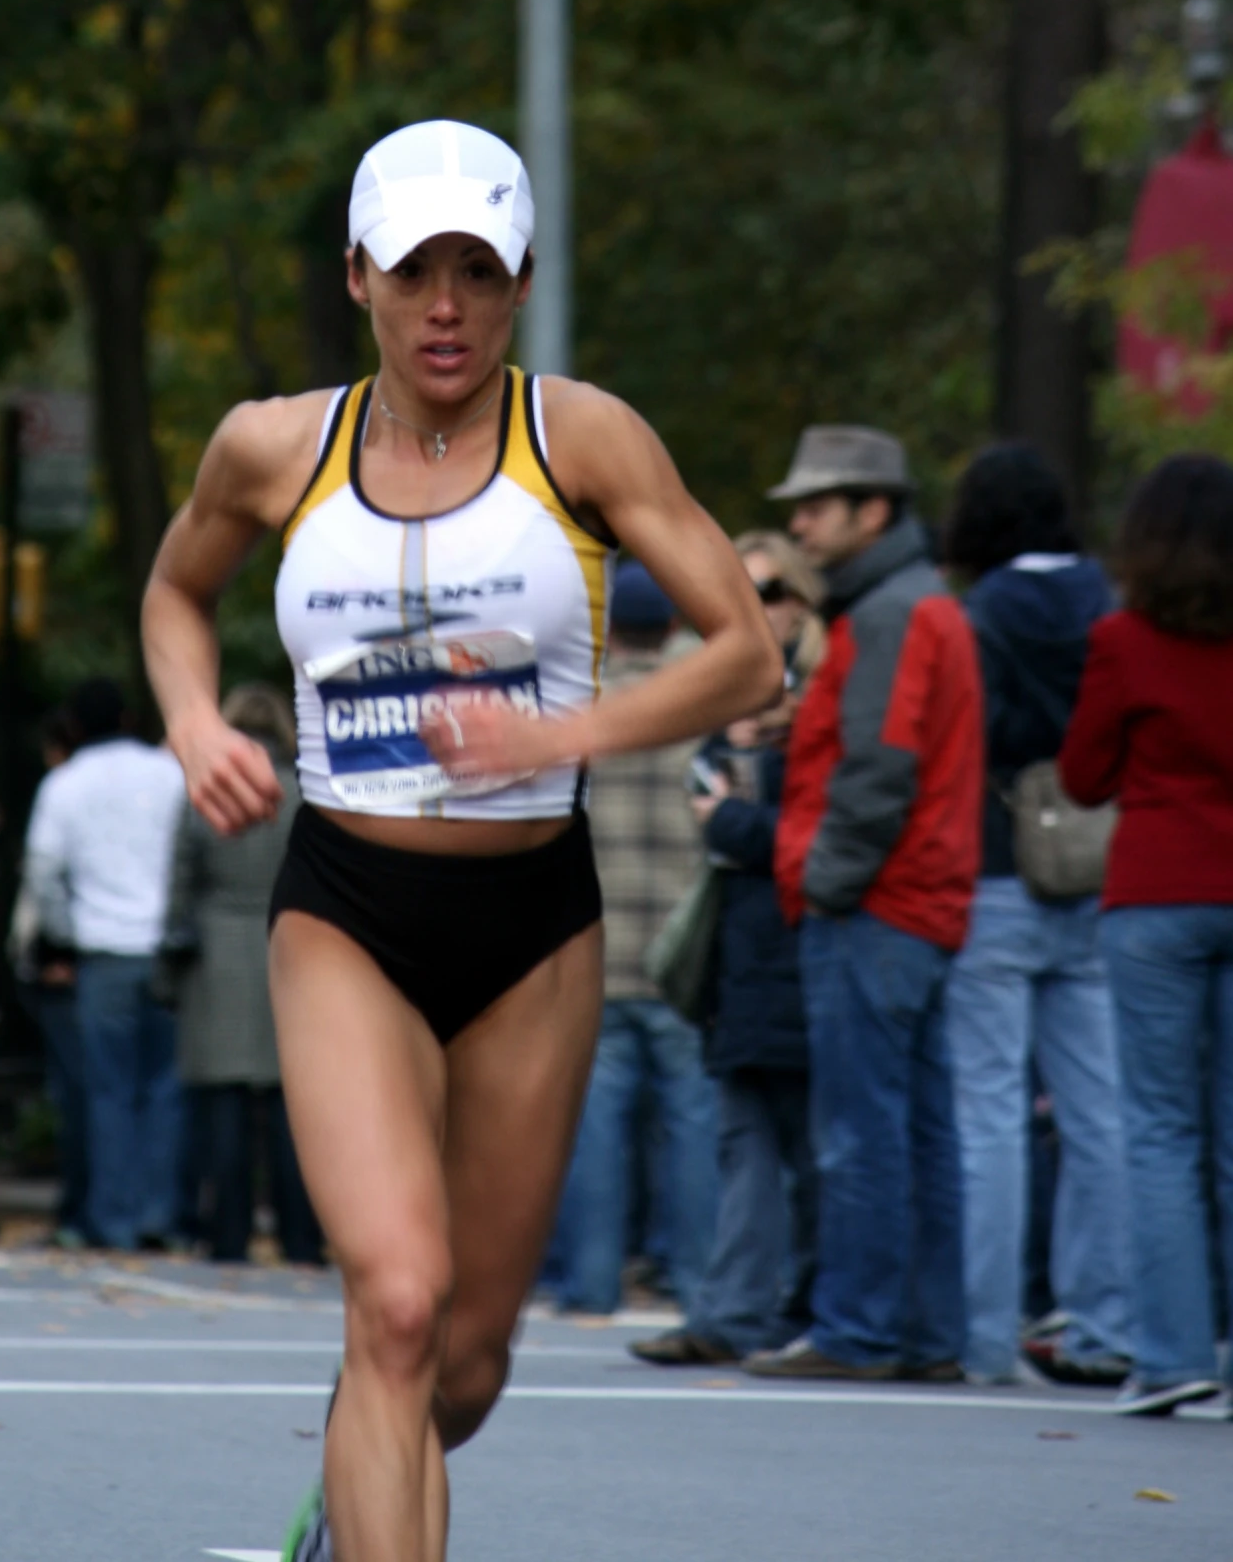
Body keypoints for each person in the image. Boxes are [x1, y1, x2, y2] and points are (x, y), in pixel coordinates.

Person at [142, 120, 780, 1562]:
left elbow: (748, 657)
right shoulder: (269, 443)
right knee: (399, 1302)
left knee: (465, 1364)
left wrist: (558, 737)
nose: (445, 305)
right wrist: (192, 719)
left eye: (476, 274)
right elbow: (174, 595)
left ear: (521, 282)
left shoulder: (582, 437)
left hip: (529, 924)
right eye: (415, 269)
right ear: (356, 272)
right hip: (344, 909)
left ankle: (346, 1485)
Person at [748, 426, 984, 1383]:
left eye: (816, 503)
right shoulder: (917, 605)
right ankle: (927, 1334)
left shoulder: (888, 613)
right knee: (919, 1127)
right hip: (922, 901)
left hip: (877, 904)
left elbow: (881, 762)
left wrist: (822, 879)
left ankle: (857, 1330)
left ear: (872, 511)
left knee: (860, 1129)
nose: (797, 520)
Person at [941, 444, 1131, 1388]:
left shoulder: (981, 617)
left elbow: (988, 732)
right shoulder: (1110, 601)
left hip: (1000, 865)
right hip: (1098, 868)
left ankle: (984, 1336)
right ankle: (1101, 1319)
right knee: (1100, 1113)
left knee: (989, 1114)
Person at [1060, 451, 1233, 1418]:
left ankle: (1170, 1354)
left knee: (1161, 1130)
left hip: (1157, 894)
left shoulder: (1123, 638)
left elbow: (1084, 776)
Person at [632, 530, 824, 1367]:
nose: (758, 604)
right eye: (739, 589)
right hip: (741, 953)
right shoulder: (723, 704)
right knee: (741, 1136)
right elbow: (703, 801)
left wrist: (742, 817)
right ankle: (731, 1311)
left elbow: (816, 834)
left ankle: (821, 1308)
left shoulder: (829, 696)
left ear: (804, 601)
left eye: (773, 589)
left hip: (817, 941)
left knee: (821, 1146)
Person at [550, 559, 719, 1316]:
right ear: (676, 626)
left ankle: (590, 1283)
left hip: (598, 946)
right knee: (692, 1120)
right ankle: (697, 1284)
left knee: (595, 1127)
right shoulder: (699, 712)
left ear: (605, 626)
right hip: (683, 953)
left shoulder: (578, 713)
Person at [162, 683, 323, 1266]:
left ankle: (225, 1235)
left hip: (216, 957)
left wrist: (167, 968)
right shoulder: (305, 790)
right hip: (291, 948)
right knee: (292, 1107)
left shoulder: (206, 789)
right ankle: (300, 1236)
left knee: (224, 1107)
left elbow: (181, 885)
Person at [23, 677, 185, 1252]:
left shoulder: (63, 785)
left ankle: (111, 1217)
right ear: (128, 718)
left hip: (102, 951)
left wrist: (64, 933)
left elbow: (43, 870)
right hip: (166, 949)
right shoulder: (169, 774)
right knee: (165, 1088)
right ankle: (158, 1214)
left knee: (108, 1091)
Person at [10, 708, 90, 1248]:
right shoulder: (155, 778)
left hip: (71, 957)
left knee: (79, 1090)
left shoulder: (64, 788)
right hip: (137, 949)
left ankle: (79, 1209)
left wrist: (58, 944)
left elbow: (44, 872)